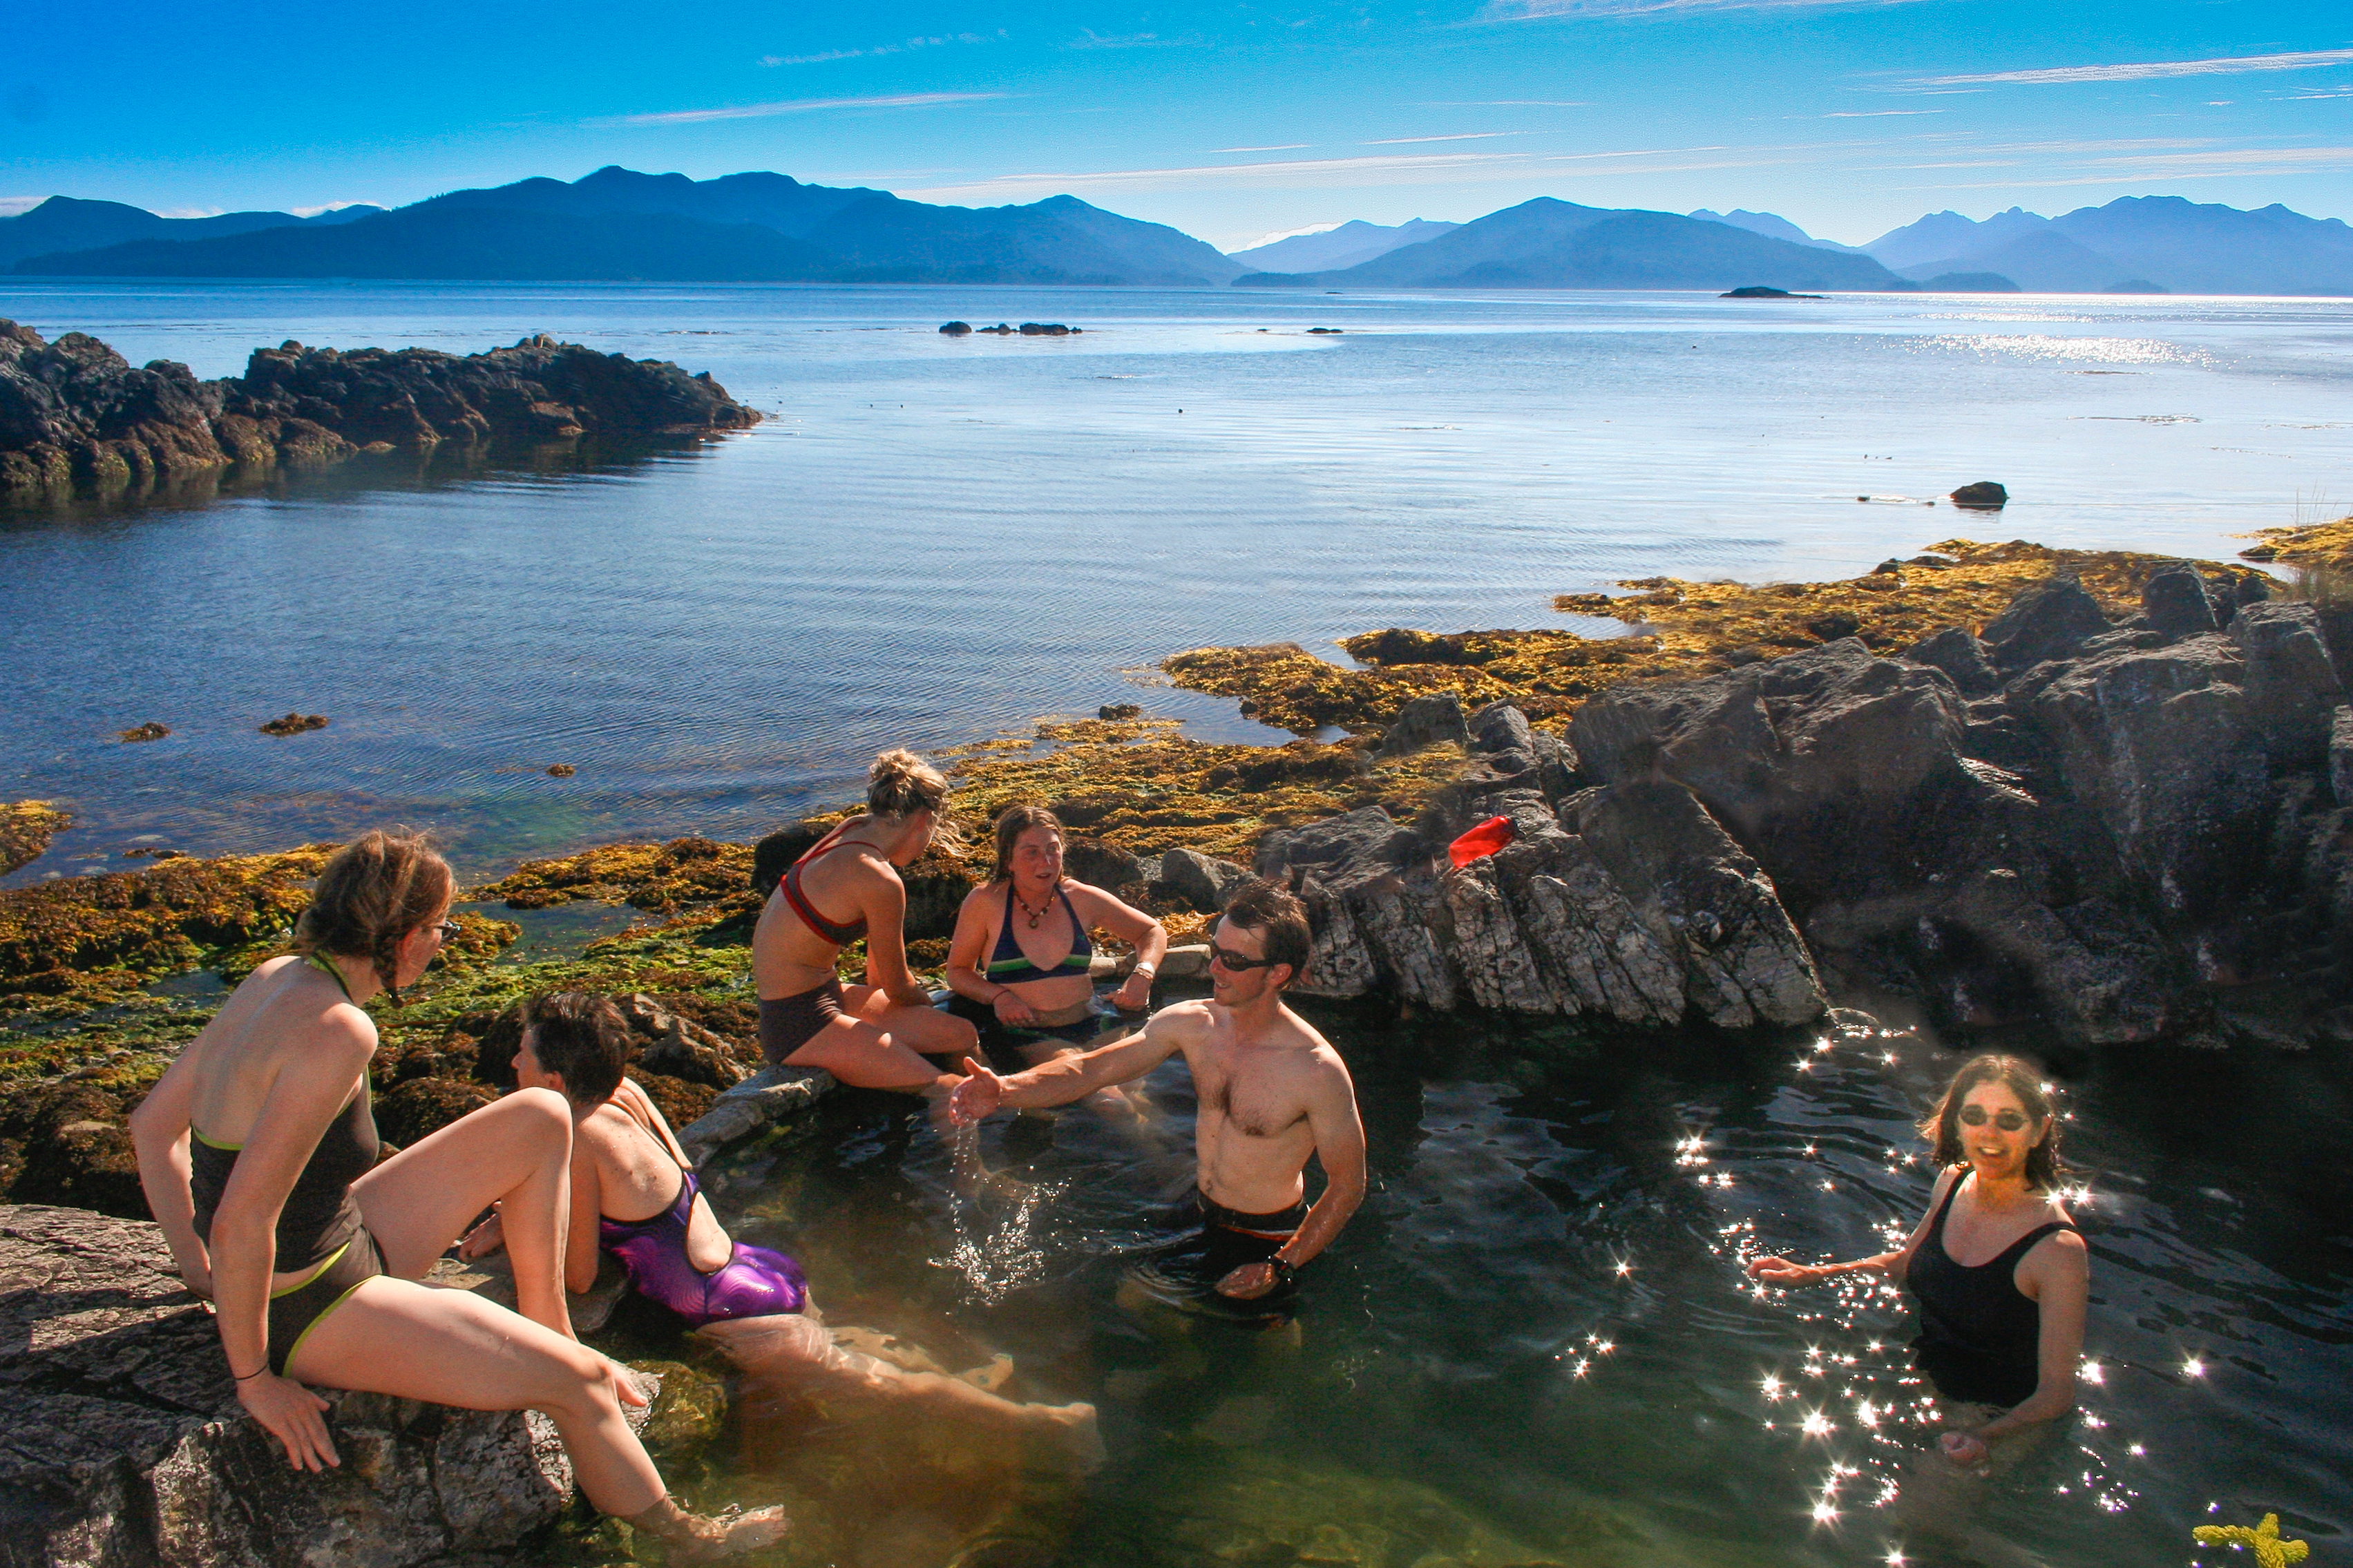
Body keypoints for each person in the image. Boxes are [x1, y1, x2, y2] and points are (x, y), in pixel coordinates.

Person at [128, 830, 783, 1561]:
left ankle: (551, 1323)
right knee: (583, 1384)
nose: (444, 943)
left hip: (340, 1239)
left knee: (541, 1116)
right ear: (404, 937)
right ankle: (690, 1539)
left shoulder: (275, 975)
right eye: (444, 928)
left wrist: (195, 1264)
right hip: (307, 1303)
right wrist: (252, 1375)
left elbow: (151, 1128)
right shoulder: (339, 1029)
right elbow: (246, 1217)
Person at [463, 991, 1100, 1465]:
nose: (514, 1058)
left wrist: (520, 1209)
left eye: (525, 1053)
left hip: (729, 1311)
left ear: (551, 1082)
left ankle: (1047, 1422)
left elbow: (576, 1277)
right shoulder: (624, 1094)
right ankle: (978, 1374)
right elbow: (682, 1164)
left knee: (889, 1392)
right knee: (853, 1357)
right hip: (756, 1268)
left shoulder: (577, 1143)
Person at [950, 879, 1365, 1310]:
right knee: (1132, 1304)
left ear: (1278, 973)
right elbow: (1089, 1070)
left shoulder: (1315, 1070)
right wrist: (1003, 1090)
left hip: (1268, 1235)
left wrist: (1283, 1265)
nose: (1215, 968)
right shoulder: (1192, 1023)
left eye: (1235, 960)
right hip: (1200, 1209)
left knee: (1258, 1342)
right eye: (1214, 949)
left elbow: (1348, 1185)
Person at [1746, 1054, 2088, 1506]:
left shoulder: (2056, 1250)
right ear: (1956, 1123)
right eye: (1974, 1116)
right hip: (1926, 1375)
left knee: (1920, 1525)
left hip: (1999, 1412)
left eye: (2009, 1120)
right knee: (1793, 1461)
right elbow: (1909, 1263)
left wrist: (1985, 1437)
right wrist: (1816, 1274)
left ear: (2038, 1130)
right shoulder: (1953, 1180)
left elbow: (2056, 1394)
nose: (1989, 1133)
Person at [752, 749, 979, 1094]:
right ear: (925, 818)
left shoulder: (854, 828)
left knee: (961, 1034)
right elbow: (897, 987)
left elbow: (878, 978)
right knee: (950, 1089)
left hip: (827, 994)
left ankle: (1006, 1094)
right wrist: (924, 1005)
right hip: (798, 1025)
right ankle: (996, 1123)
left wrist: (916, 1020)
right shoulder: (880, 881)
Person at [944, 804, 1168, 1074]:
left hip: (1095, 1019)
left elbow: (1151, 932)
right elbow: (957, 972)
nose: (1046, 862)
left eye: (1053, 849)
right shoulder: (986, 903)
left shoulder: (1080, 898)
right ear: (1008, 860)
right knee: (1104, 1098)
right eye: (1032, 853)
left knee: (1135, 1098)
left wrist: (1142, 975)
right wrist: (999, 997)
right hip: (1031, 1033)